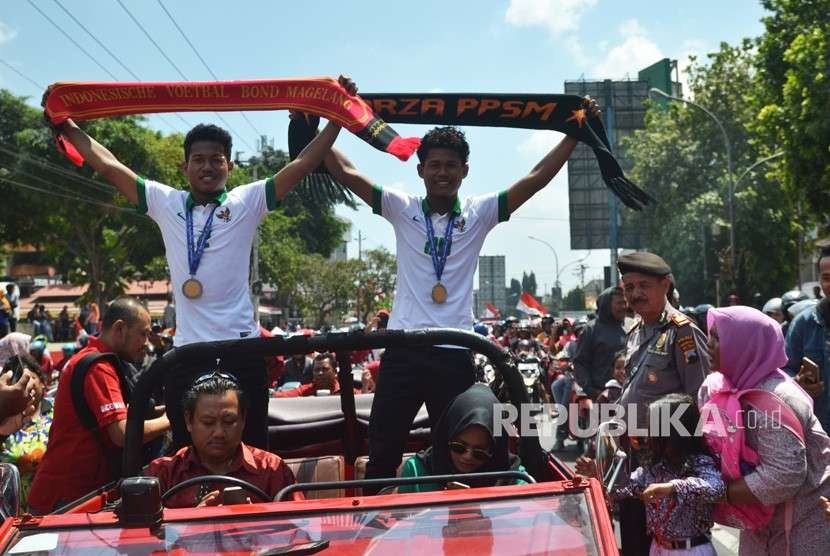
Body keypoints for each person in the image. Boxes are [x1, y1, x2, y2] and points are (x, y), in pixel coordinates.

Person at [322, 77, 600, 491]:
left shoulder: (481, 211)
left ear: (464, 171)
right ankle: (376, 533)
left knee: (453, 454)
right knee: (382, 450)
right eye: (434, 164)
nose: (442, 172)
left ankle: (453, 533)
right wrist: (324, 116)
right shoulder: (401, 207)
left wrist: (574, 135)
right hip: (403, 352)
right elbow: (343, 169)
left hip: (455, 351)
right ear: (420, 170)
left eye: (451, 165)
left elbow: (536, 177)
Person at [51, 83, 347, 451]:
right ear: (185, 165)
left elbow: (302, 164)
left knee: (253, 447)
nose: (208, 166)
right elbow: (109, 166)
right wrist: (67, 125)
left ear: (230, 165)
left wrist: (336, 119)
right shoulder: (166, 202)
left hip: (243, 349)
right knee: (185, 452)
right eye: (199, 159)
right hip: (188, 352)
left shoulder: (248, 200)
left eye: (217, 158)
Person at [578, 252, 710, 556]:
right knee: (634, 539)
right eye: (629, 287)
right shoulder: (635, 332)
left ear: (665, 285)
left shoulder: (683, 331)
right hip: (633, 457)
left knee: (667, 544)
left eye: (644, 286)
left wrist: (686, 464)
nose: (635, 294)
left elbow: (700, 401)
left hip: (667, 463)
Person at [704, 306, 830, 554]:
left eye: (718, 338)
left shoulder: (777, 398)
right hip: (759, 521)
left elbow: (782, 476)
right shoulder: (726, 388)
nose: (708, 344)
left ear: (744, 347)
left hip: (802, 521)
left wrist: (715, 494)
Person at [28, 298, 170, 514]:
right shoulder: (99, 367)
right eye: (143, 333)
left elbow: (123, 416)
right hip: (67, 499)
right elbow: (122, 434)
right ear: (120, 328)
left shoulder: (95, 359)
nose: (147, 342)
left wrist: (161, 411)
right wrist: (169, 420)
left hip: (74, 493)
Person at [145, 372, 295, 508]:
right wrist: (190, 521)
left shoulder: (272, 470)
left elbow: (300, 529)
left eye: (229, 421)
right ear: (189, 421)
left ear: (243, 420)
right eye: (208, 422)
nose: (219, 433)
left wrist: (256, 519)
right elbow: (140, 534)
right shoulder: (162, 474)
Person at [604, 394, 724, 556]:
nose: (648, 434)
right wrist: (601, 476)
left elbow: (716, 488)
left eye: (654, 428)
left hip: (691, 550)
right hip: (658, 548)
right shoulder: (655, 467)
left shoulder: (700, 462)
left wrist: (673, 486)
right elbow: (623, 489)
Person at [398, 384, 526, 493]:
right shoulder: (416, 472)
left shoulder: (514, 478)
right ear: (447, 437)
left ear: (494, 449)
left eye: (479, 453)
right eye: (458, 447)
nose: (467, 457)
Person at [784, 246, 830, 433]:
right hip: (819, 435)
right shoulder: (803, 324)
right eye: (827, 278)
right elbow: (783, 373)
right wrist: (798, 384)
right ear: (819, 281)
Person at [0, 353, 51, 511]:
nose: (26, 384)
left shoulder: (61, 412)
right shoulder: (5, 419)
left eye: (31, 377)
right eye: (20, 378)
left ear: (43, 383)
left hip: (55, 509)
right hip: (9, 515)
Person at [572, 287, 627, 398]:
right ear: (606, 305)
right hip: (599, 396)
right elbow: (580, 363)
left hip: (626, 394)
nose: (624, 307)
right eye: (619, 303)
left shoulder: (628, 328)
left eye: (625, 303)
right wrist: (591, 391)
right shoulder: (590, 330)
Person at [275, 353, 359, 397]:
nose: (320, 373)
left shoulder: (348, 392)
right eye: (316, 370)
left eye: (325, 369)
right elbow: (280, 396)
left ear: (335, 372)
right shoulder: (304, 391)